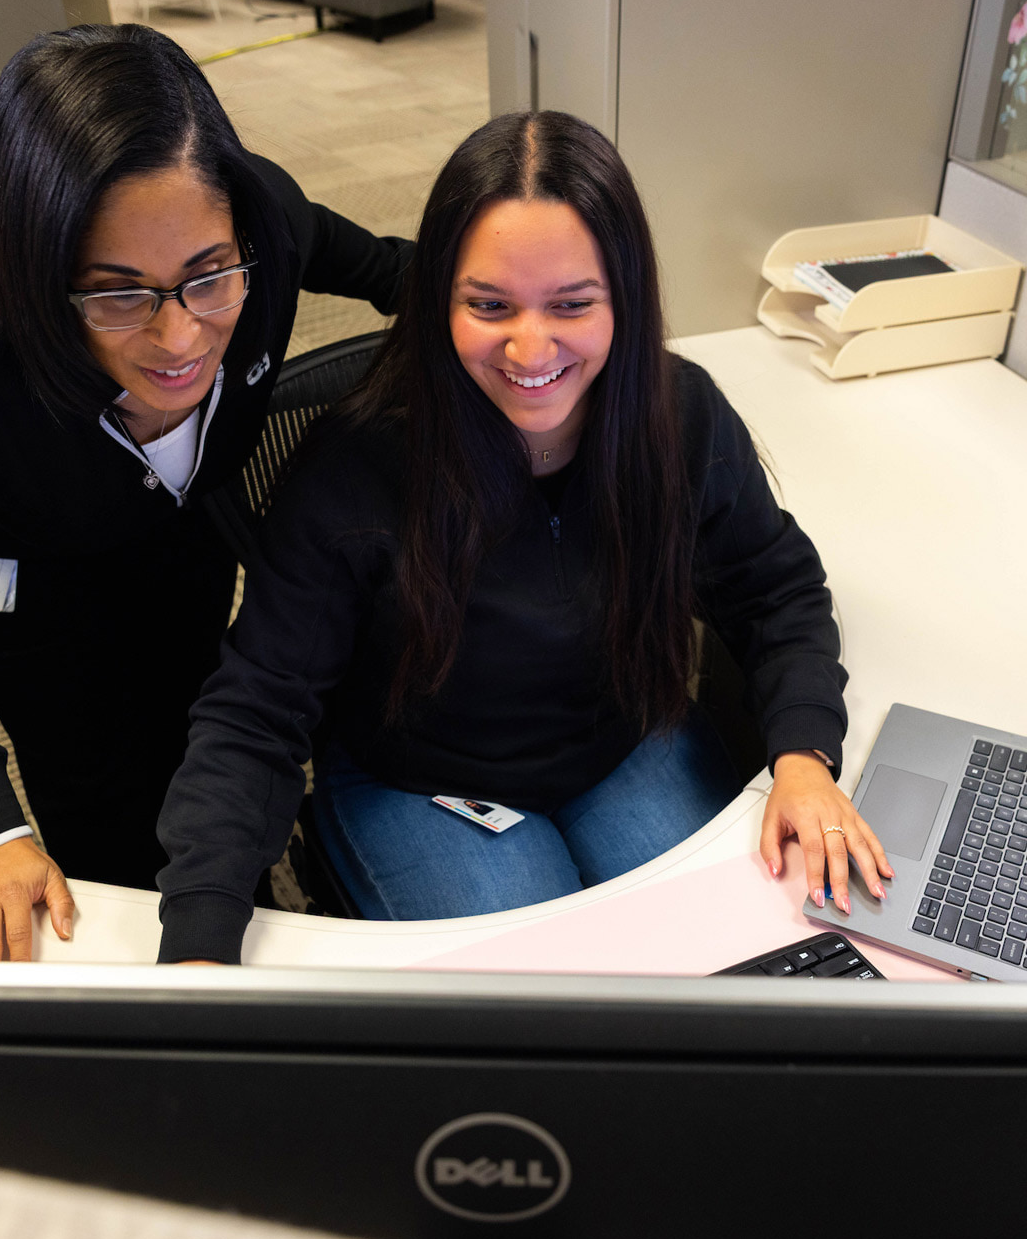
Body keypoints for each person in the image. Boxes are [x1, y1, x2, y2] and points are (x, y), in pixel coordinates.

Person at [154, 111, 890, 965]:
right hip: (422, 780)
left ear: (625, 297)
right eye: (489, 305)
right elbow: (257, 708)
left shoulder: (676, 416)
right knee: (553, 1015)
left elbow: (778, 588)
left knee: (739, 967)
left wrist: (804, 753)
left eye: (573, 304)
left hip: (620, 740)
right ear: (439, 298)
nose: (530, 346)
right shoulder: (354, 467)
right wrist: (200, 944)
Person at [0, 25, 412, 963]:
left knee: (209, 737)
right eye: (118, 295)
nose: (182, 338)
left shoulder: (260, 221)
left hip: (189, 538)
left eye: (207, 278)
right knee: (106, 819)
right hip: (35, 597)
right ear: (36, 277)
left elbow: (399, 272)